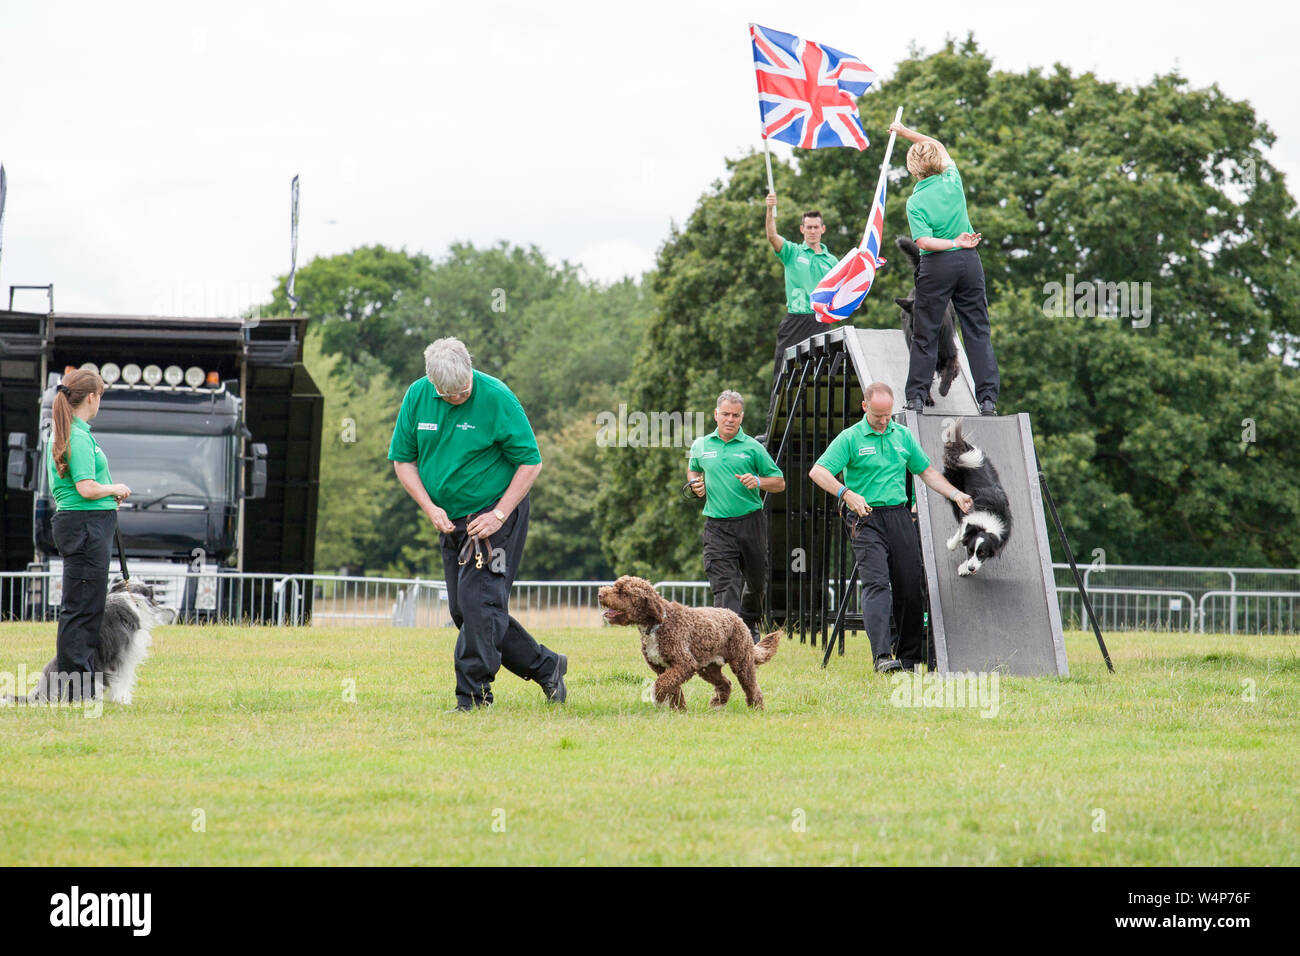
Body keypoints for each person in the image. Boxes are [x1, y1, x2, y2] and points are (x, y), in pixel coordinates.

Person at [388, 337, 567, 711]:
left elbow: (530, 462)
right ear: (433, 384)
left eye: (464, 390)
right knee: (463, 610)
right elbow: (403, 460)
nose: (459, 397)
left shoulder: (498, 397)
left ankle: (472, 698)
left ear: (470, 371)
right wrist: (429, 507)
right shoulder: (417, 397)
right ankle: (546, 666)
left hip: (494, 515)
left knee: (479, 605)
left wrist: (499, 513)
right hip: (450, 520)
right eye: (450, 394)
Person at [808, 382, 972, 672]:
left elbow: (927, 472)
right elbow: (818, 471)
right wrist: (846, 493)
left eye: (888, 415)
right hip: (865, 516)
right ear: (864, 407)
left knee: (910, 586)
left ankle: (909, 658)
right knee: (876, 584)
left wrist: (955, 494)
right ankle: (882, 657)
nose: (884, 421)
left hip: (899, 516)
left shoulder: (902, 436)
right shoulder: (850, 438)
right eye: (878, 415)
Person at [890, 121, 1001, 416]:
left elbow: (924, 242)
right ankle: (988, 399)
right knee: (977, 330)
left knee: (924, 332)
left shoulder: (915, 201)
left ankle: (915, 397)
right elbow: (935, 142)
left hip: (937, 265)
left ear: (914, 170)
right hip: (969, 263)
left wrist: (952, 242)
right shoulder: (953, 179)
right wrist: (903, 131)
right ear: (938, 159)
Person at [46, 369, 132, 701]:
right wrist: (115, 488)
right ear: (91, 397)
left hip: (86, 523)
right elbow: (85, 486)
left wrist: (108, 499)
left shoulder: (75, 432)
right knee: (82, 608)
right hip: (84, 526)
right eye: (101, 397)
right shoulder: (78, 437)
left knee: (87, 606)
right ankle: (76, 688)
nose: (100, 403)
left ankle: (78, 684)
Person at [687, 391, 786, 643]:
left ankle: (749, 623)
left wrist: (758, 481)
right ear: (715, 415)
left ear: (741, 417)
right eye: (725, 414)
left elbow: (779, 483)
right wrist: (695, 485)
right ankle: (725, 639)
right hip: (717, 526)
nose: (730, 419)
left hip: (750, 523)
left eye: (735, 415)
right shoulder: (701, 445)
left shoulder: (753, 448)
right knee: (725, 584)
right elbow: (694, 469)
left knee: (755, 582)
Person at [765, 194, 837, 385]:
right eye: (808, 227)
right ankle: (776, 413)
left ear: (823, 229)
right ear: (802, 229)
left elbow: (842, 291)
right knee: (784, 375)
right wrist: (770, 209)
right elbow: (772, 236)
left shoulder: (832, 262)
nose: (812, 231)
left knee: (819, 377)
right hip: (795, 321)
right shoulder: (792, 252)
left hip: (821, 322)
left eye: (816, 227)